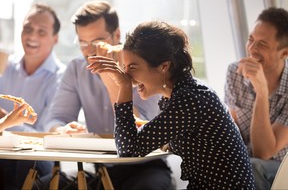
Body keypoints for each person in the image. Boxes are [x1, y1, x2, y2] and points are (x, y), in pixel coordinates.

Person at [86, 20, 256, 189]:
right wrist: (148, 128)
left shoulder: (188, 99)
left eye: (133, 67)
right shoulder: (185, 95)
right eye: (124, 67)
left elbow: (128, 150)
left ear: (164, 67)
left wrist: (122, 86)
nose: (127, 76)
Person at [40, 0, 173, 190]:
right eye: (82, 42)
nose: (89, 51)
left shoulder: (142, 65)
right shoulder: (77, 68)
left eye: (97, 42)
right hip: (101, 168)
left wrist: (111, 81)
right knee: (46, 185)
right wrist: (61, 129)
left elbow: (142, 130)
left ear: (117, 35)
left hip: (145, 166)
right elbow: (55, 118)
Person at [0, 3, 66, 189]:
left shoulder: (60, 77)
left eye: (41, 31)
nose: (31, 36)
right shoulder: (5, 66)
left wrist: (10, 122)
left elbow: (46, 135)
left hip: (35, 156)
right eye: (27, 29)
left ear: (55, 39)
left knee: (27, 162)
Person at [224, 7, 288, 189]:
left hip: (281, 168)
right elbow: (233, 128)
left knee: (250, 167)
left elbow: (264, 152)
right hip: (246, 162)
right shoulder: (235, 72)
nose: (252, 49)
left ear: (284, 53)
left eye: (262, 44)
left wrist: (261, 92)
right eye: (251, 40)